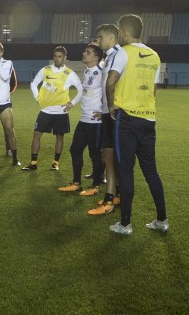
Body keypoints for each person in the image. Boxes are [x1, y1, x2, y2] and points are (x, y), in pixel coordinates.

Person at [106, 14, 168, 235]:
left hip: (127, 119)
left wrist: (111, 106)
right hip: (148, 118)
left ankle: (125, 224)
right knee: (151, 171)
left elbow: (110, 82)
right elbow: (153, 89)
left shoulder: (123, 52)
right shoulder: (154, 55)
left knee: (126, 171)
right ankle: (162, 220)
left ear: (123, 32)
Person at [22, 46, 82, 171]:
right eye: (55, 56)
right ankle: (33, 163)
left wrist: (72, 103)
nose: (57, 59)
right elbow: (33, 83)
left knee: (59, 137)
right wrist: (37, 97)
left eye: (60, 56)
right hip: (45, 111)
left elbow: (81, 89)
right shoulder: (45, 70)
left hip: (61, 112)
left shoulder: (69, 74)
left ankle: (55, 163)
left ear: (65, 58)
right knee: (36, 134)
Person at [57, 43, 104, 194]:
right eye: (85, 51)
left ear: (96, 57)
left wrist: (104, 112)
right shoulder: (87, 71)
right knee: (75, 149)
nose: (84, 53)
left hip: (96, 122)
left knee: (95, 154)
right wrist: (72, 103)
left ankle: (96, 186)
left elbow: (111, 91)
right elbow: (84, 92)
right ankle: (76, 183)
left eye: (88, 52)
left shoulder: (102, 72)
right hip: (84, 119)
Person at [88, 24, 122, 215]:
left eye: (100, 37)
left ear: (110, 37)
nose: (98, 40)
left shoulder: (119, 54)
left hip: (114, 114)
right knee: (108, 156)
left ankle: (112, 199)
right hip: (106, 114)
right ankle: (113, 195)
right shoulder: (109, 56)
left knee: (114, 157)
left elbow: (114, 84)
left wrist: (111, 107)